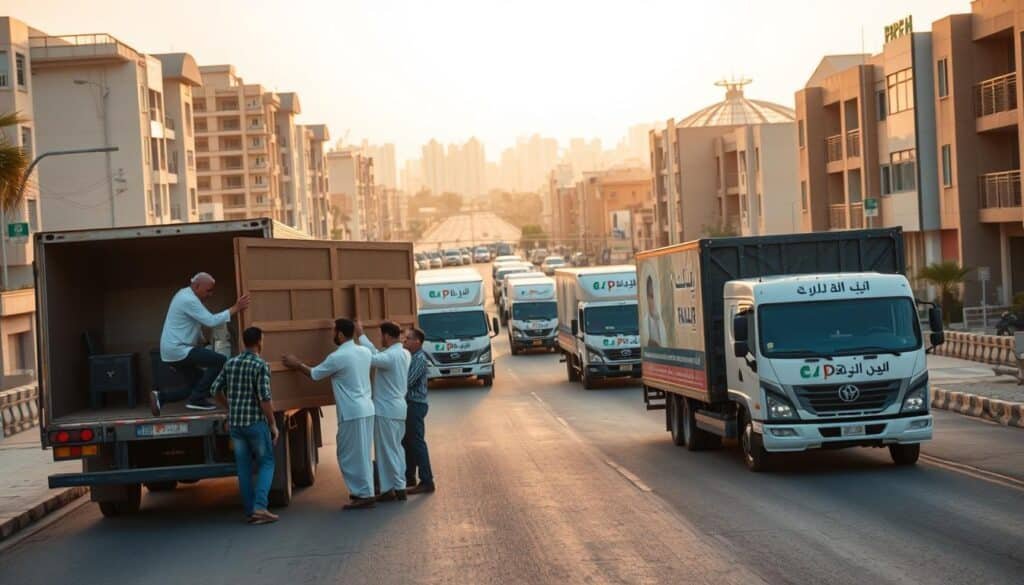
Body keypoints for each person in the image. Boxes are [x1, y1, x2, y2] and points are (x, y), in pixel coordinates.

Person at [283, 318, 376, 510]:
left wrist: (296, 363)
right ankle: (365, 492)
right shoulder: (364, 352)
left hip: (352, 412)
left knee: (348, 455)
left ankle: (363, 494)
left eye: (334, 331)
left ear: (340, 334)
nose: (332, 334)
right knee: (362, 453)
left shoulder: (338, 357)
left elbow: (314, 374)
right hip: (367, 408)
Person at [153, 272, 250, 414]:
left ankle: (161, 398)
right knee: (220, 361)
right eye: (208, 290)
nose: (210, 294)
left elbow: (194, 323)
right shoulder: (188, 299)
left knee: (198, 384)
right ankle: (197, 399)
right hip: (179, 349)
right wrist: (235, 308)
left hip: (171, 351)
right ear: (197, 286)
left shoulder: (184, 295)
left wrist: (204, 341)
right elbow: (211, 321)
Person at [210, 326, 279, 525]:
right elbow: (265, 398)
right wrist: (273, 424)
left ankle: (250, 511)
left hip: (236, 426)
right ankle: (260, 507)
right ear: (259, 342)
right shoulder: (260, 365)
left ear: (243, 342)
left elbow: (214, 389)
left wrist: (230, 407)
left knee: (243, 468)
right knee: (267, 462)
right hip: (255, 423)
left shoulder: (230, 363)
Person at [355, 320, 411, 502]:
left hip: (387, 409)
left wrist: (361, 335)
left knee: (387, 450)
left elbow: (371, 357)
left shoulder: (390, 357)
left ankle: (397, 487)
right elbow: (377, 355)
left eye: (381, 335)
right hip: (399, 408)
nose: (380, 338)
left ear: (386, 336)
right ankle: (393, 487)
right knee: (395, 448)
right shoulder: (404, 353)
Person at [403, 327, 435, 494]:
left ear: (417, 342)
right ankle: (409, 477)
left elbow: (408, 381)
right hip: (410, 404)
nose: (405, 341)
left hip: (415, 404)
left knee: (416, 442)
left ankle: (427, 480)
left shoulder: (419, 359)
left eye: (408, 338)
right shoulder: (411, 357)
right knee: (407, 442)